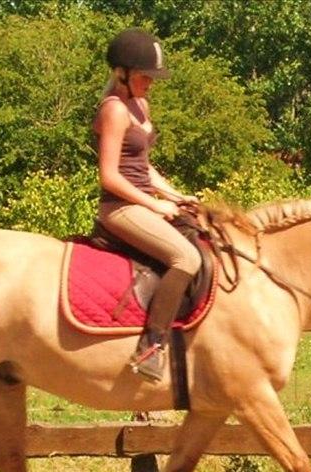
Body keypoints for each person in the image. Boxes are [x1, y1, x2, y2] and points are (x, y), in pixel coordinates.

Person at [93, 28, 202, 382]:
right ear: (122, 73)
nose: (151, 83)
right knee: (186, 257)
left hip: (142, 201)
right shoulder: (114, 110)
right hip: (120, 209)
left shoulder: (140, 105)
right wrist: (155, 207)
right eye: (145, 76)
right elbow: (110, 176)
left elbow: (143, 168)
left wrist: (175, 196)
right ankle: (151, 346)